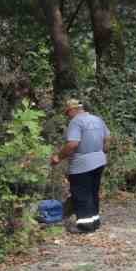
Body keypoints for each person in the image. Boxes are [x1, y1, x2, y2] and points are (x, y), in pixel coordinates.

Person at [50, 98, 111, 234]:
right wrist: (102, 152)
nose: (67, 116)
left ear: (73, 110)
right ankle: (94, 222)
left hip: (82, 165)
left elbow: (73, 144)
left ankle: (84, 226)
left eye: (67, 113)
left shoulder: (76, 122)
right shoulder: (97, 119)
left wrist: (58, 157)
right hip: (99, 161)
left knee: (81, 194)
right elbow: (107, 139)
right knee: (92, 192)